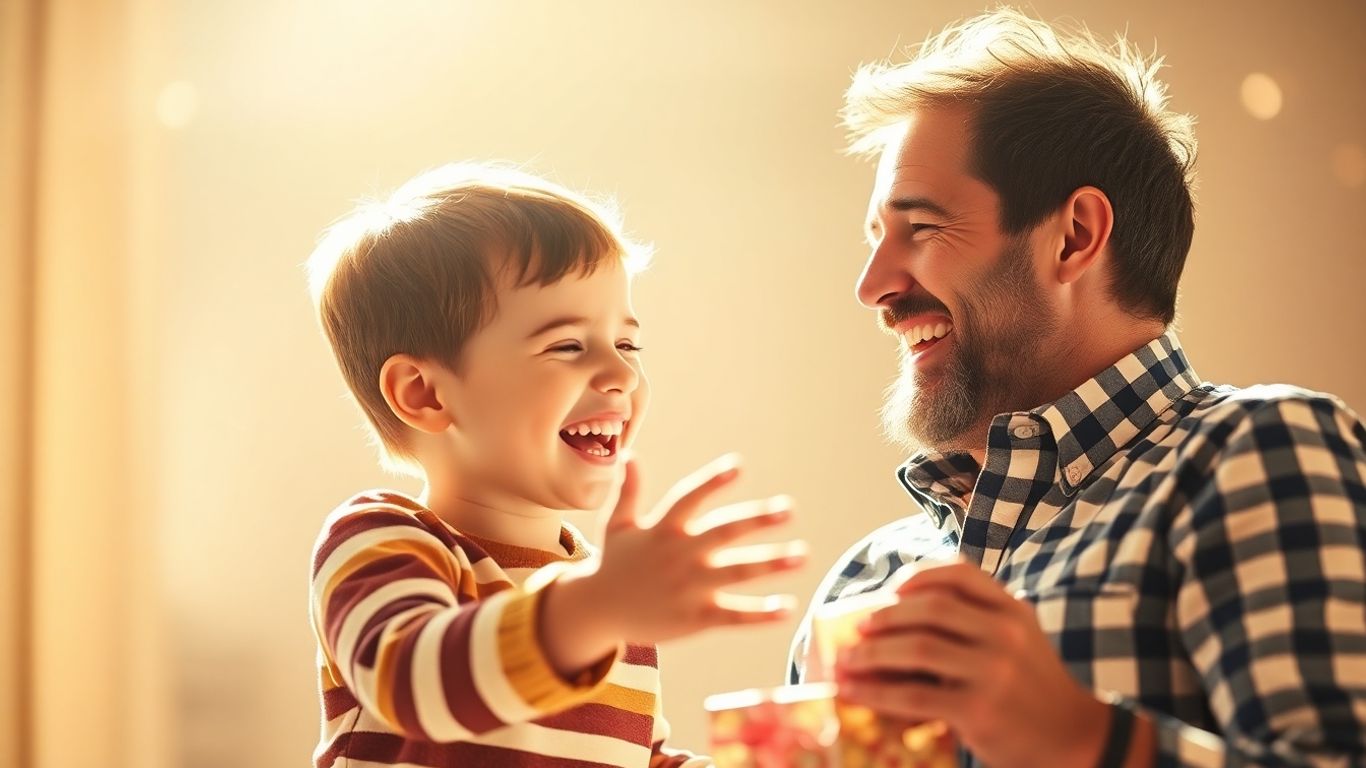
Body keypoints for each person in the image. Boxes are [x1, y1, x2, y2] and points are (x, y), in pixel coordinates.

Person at [787, 9, 1366, 767]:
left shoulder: (1253, 455)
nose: (872, 288)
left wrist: (1082, 737)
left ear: (1075, 236)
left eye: (921, 228)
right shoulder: (863, 582)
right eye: (875, 239)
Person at [305, 163, 806, 767]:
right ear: (425, 393)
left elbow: (636, 758)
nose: (622, 374)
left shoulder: (599, 595)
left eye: (627, 344)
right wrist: (594, 606)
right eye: (567, 345)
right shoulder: (383, 540)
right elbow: (418, 685)